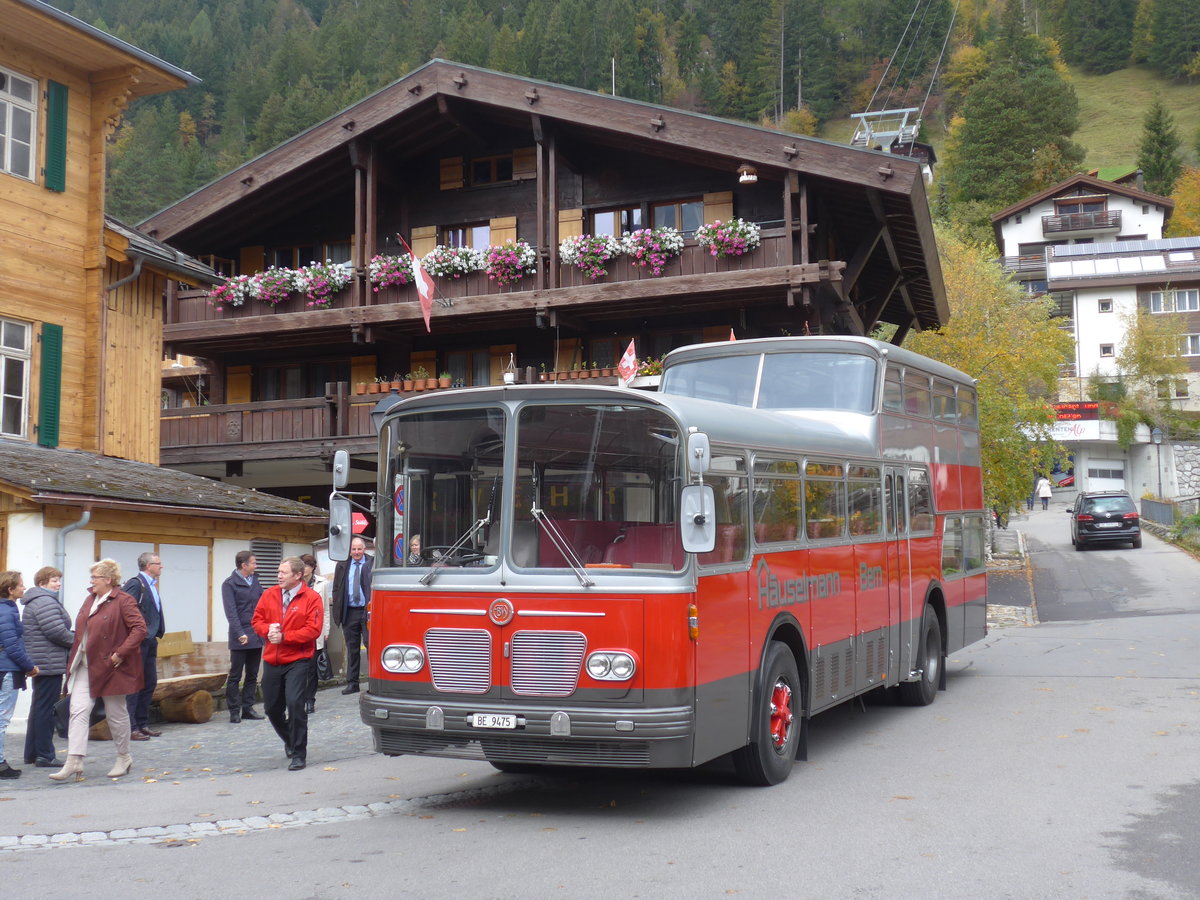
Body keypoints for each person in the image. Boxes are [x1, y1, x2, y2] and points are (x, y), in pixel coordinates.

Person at [50, 559, 147, 782]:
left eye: (95, 577)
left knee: (116, 713)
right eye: (92, 577)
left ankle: (124, 757)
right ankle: (74, 761)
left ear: (108, 580)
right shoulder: (90, 599)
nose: (91, 581)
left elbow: (139, 628)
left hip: (112, 666)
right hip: (85, 663)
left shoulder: (124, 600)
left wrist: (120, 653)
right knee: (78, 710)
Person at [252, 557, 322, 771]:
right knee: (272, 709)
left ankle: (299, 753)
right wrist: (267, 631)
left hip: (298, 660)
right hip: (272, 659)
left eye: (284, 572)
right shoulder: (269, 594)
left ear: (298, 575)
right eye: (279, 571)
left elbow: (313, 630)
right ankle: (290, 740)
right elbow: (257, 620)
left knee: (295, 703)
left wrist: (285, 637)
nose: (279, 575)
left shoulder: (311, 598)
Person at [21, 566, 73, 769]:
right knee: (46, 709)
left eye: (59, 580)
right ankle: (45, 754)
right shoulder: (44, 601)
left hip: (42, 661)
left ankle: (33, 753)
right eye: (54, 581)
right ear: (42, 583)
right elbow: (57, 632)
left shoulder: (38, 600)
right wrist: (79, 641)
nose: (58, 584)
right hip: (48, 662)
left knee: (39, 708)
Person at [0, 571, 39, 779]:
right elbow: (12, 646)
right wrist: (29, 666)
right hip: (6, 670)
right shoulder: (7, 611)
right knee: (2, 718)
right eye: (21, 585)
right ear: (10, 589)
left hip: (4, 668)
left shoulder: (7, 609)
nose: (24, 588)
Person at [123, 552, 165, 740]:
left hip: (150, 639)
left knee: (149, 682)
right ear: (148, 566)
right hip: (140, 641)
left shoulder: (152, 585)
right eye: (158, 563)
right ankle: (131, 727)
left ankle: (142, 723)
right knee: (135, 684)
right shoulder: (135, 583)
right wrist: (141, 632)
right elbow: (126, 610)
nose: (161, 566)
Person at [221, 550, 265, 723]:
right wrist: (240, 633)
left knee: (253, 674)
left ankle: (248, 708)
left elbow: (262, 605)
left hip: (256, 634)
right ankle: (233, 710)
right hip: (240, 636)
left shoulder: (255, 581)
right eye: (253, 563)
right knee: (235, 675)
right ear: (243, 565)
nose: (256, 565)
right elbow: (231, 613)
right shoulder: (229, 584)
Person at [332, 536, 372, 694]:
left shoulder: (372, 563)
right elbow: (336, 588)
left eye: (359, 549)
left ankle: (374, 681)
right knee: (352, 648)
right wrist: (338, 607)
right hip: (350, 612)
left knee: (371, 646)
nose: (356, 552)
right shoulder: (342, 565)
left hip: (367, 610)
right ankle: (352, 682)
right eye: (354, 549)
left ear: (364, 549)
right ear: (350, 550)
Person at [299, 554, 331, 714]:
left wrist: (326, 630)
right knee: (299, 669)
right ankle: (298, 698)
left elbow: (325, 609)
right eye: (302, 565)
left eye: (307, 565)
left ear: (312, 567)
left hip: (315, 631)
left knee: (312, 669)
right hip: (297, 631)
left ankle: (310, 699)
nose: (304, 569)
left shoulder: (322, 584)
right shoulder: (295, 583)